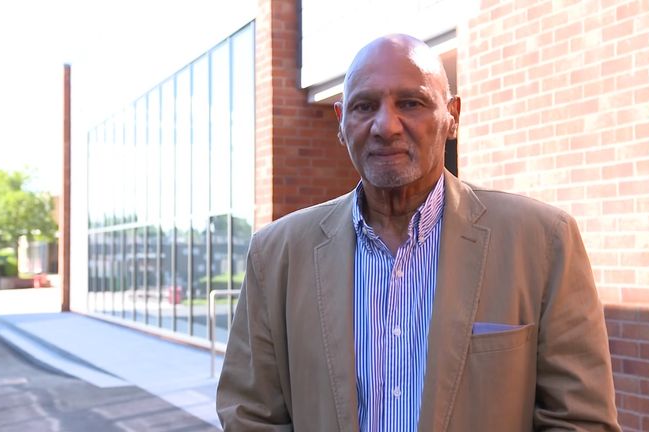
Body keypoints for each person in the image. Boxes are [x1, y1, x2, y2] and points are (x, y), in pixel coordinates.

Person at [216, 34, 620, 431]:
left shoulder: (542, 243)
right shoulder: (276, 256)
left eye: (411, 103)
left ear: (453, 116)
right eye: (364, 106)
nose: (386, 126)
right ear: (342, 123)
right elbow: (251, 416)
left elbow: (580, 421)